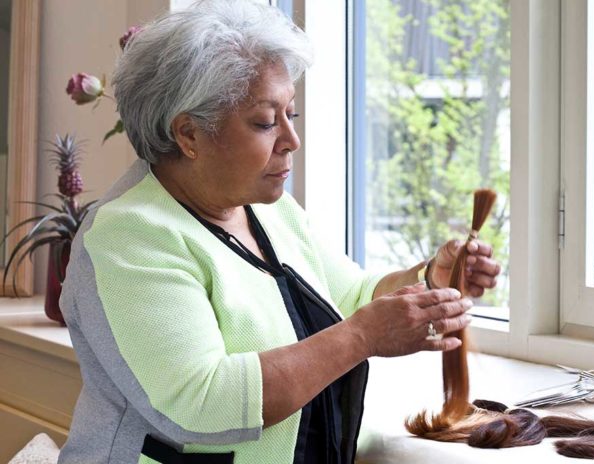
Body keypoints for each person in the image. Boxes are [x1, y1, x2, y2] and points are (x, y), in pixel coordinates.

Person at [57, 1, 501, 463]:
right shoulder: (127, 237)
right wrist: (361, 338)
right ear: (188, 135)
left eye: (293, 115)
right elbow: (202, 402)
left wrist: (432, 281)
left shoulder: (269, 210)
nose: (292, 140)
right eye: (266, 122)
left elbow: (349, 299)